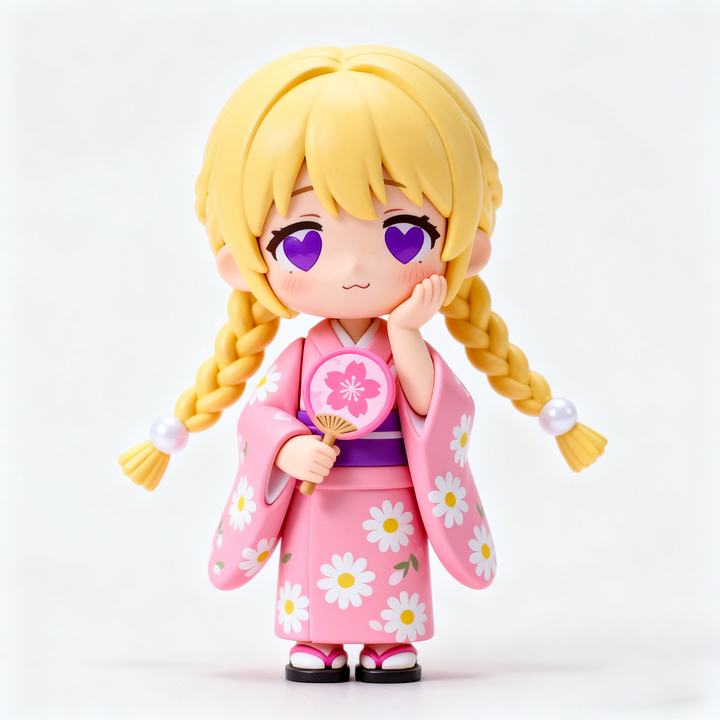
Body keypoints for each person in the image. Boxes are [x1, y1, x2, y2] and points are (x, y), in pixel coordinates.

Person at [119, 46, 606, 684]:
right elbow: (258, 419)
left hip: (391, 495)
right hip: (317, 491)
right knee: (318, 574)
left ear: (467, 245)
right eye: (302, 240)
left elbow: (435, 411)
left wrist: (405, 332)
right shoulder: (300, 356)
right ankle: (317, 640)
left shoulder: (406, 345)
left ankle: (386, 641)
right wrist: (288, 448)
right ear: (243, 263)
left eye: (405, 233)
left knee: (387, 572)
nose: (352, 266)